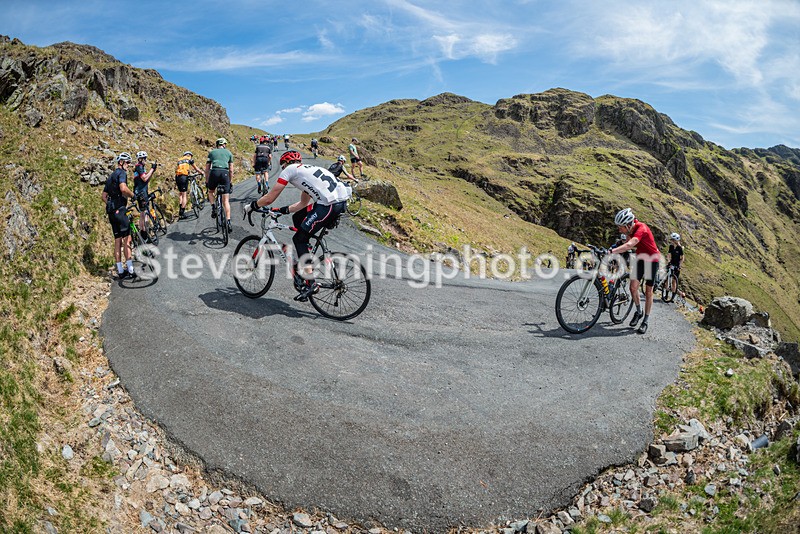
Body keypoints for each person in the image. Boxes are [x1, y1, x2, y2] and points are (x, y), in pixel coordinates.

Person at [244, 150, 350, 301]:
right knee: (298, 218)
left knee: (299, 239)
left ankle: (311, 282)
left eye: (283, 166)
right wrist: (281, 210)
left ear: (286, 163)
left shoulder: (290, 170)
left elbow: (269, 198)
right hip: (338, 202)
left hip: (329, 205)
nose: (283, 169)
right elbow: (303, 204)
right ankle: (305, 256)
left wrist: (252, 206)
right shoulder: (307, 171)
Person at [608, 208, 661, 334]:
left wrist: (611, 252)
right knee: (633, 288)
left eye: (621, 227)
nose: (619, 230)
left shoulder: (641, 228)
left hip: (651, 260)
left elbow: (630, 245)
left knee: (648, 291)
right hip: (640, 259)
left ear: (627, 225)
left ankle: (645, 321)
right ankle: (639, 312)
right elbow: (624, 245)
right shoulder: (629, 231)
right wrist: (611, 250)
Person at [102, 153, 136, 279]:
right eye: (127, 163)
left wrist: (111, 205)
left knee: (117, 241)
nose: (128, 165)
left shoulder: (111, 176)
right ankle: (131, 269)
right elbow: (123, 188)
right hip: (120, 210)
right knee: (127, 239)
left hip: (111, 212)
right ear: (121, 162)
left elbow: (103, 196)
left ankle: (121, 271)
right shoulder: (121, 173)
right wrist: (133, 196)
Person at [205, 137, 234, 232]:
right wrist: (230, 182)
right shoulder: (229, 153)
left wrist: (207, 181)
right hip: (225, 173)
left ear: (217, 145)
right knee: (226, 201)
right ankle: (228, 221)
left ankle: (213, 207)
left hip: (214, 172)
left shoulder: (212, 153)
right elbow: (231, 170)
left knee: (210, 191)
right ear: (224, 145)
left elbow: (207, 169)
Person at [133, 151, 157, 240]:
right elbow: (144, 178)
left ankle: (145, 233)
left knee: (144, 213)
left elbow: (147, 180)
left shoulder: (141, 167)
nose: (146, 160)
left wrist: (152, 171)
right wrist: (152, 169)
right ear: (141, 159)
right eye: (145, 159)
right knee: (144, 214)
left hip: (143, 192)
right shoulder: (139, 167)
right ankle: (144, 233)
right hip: (141, 193)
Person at [175, 151, 204, 219]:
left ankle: (180, 209)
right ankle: (181, 213)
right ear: (190, 155)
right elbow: (196, 168)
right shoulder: (189, 159)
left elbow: (181, 168)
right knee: (185, 195)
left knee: (181, 194)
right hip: (184, 177)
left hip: (177, 177)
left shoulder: (180, 160)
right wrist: (202, 172)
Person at [666, 232, 685, 297]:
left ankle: (672, 297)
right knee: (668, 279)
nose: (672, 241)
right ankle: (666, 294)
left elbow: (682, 258)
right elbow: (668, 255)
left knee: (674, 281)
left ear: (676, 240)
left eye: (673, 240)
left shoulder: (680, 248)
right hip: (671, 264)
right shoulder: (671, 247)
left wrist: (679, 265)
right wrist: (668, 262)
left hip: (677, 265)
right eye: (671, 239)